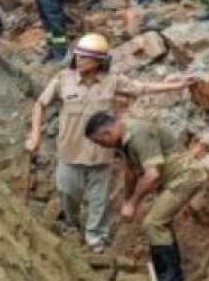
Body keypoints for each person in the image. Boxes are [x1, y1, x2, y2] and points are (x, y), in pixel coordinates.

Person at [25, 33, 195, 254]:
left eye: (86, 58)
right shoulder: (62, 79)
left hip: (100, 157)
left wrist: (176, 85)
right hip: (70, 152)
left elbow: (141, 88)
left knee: (99, 202)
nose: (80, 61)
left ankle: (96, 238)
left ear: (98, 62)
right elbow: (40, 104)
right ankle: (72, 222)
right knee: (67, 193)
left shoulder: (112, 81)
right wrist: (35, 135)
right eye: (78, 56)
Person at [85, 112, 206, 281]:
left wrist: (133, 203)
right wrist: (126, 201)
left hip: (186, 177)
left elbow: (153, 175)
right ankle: (168, 277)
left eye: (100, 143)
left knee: (153, 223)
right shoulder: (123, 139)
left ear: (107, 133)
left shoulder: (138, 135)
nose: (102, 147)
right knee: (160, 223)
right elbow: (132, 171)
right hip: (173, 179)